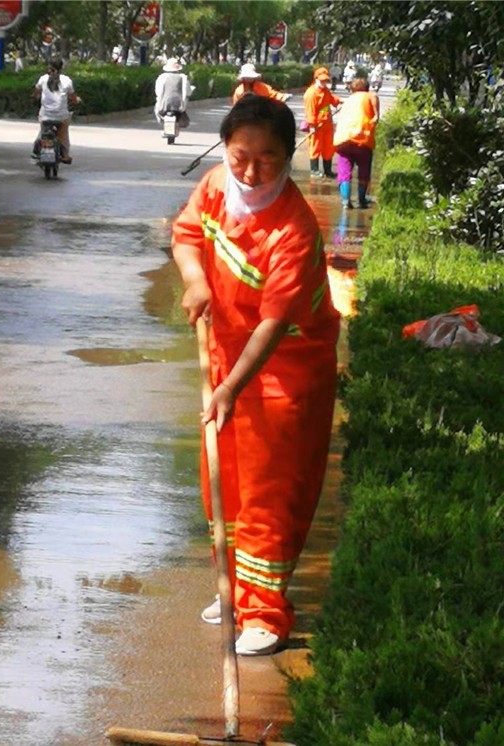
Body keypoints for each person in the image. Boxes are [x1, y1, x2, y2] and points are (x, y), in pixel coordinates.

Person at [171, 95, 340, 656]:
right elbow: (187, 236)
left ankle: (265, 612)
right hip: (227, 357)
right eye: (240, 156)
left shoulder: (294, 229)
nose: (249, 171)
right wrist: (196, 280)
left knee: (268, 492)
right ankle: (234, 593)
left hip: (284, 373)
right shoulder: (216, 185)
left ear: (289, 156)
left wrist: (231, 388)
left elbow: (273, 322)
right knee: (222, 484)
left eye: (266, 159)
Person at [333, 77, 380, 209]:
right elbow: (376, 113)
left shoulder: (349, 100)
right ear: (367, 88)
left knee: (344, 170)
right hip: (362, 138)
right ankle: (361, 199)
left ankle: (345, 201)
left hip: (343, 139)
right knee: (364, 169)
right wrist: (376, 116)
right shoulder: (369, 96)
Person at [33, 58, 78, 163]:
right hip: (61, 116)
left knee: (43, 132)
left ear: (49, 67)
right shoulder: (67, 80)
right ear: (62, 67)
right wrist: (76, 102)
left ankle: (37, 149)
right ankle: (65, 155)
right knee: (63, 135)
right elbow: (73, 98)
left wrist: (37, 98)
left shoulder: (43, 79)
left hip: (45, 115)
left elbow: (36, 92)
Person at [302, 66, 342, 179]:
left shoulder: (325, 90)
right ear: (316, 79)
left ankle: (328, 171)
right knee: (315, 146)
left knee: (328, 147)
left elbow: (331, 99)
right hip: (317, 125)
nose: (324, 83)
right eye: (322, 80)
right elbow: (310, 111)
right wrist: (312, 125)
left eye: (326, 81)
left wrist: (338, 103)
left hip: (327, 123)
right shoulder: (311, 94)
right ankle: (314, 170)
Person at [154, 58, 193, 127]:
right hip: (179, 107)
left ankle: (162, 122)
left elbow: (158, 92)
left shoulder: (162, 77)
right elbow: (188, 92)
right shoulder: (183, 77)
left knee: (157, 111)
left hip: (164, 106)